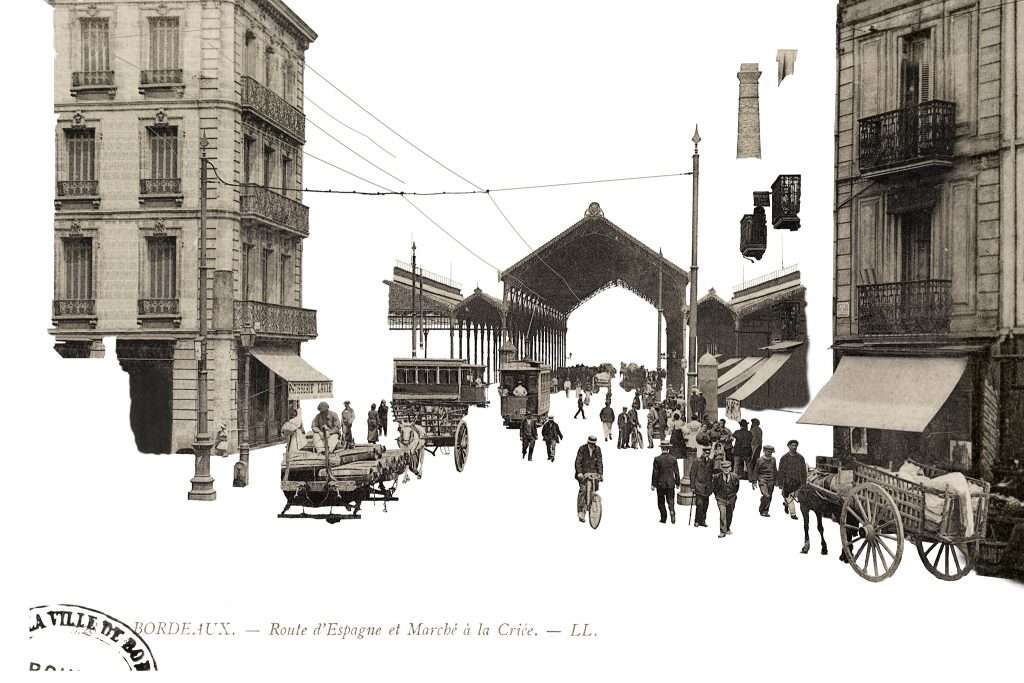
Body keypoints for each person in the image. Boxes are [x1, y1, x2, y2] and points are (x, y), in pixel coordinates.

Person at [575, 436, 604, 523]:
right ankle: (581, 511)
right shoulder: (582, 449)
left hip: (594, 474)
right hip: (584, 474)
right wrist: (579, 472)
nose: (592, 446)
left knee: (594, 490)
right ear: (588, 443)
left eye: (593, 444)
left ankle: (592, 506)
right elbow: (578, 461)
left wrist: (600, 474)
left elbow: (599, 462)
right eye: (590, 444)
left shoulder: (598, 450)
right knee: (583, 490)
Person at [777, 439, 808, 520]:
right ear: (788, 446)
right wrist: (780, 483)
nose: (794, 447)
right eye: (792, 445)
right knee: (789, 497)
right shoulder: (784, 458)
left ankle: (786, 504)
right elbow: (781, 471)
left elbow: (803, 471)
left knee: (795, 496)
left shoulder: (800, 458)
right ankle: (793, 514)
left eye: (795, 445)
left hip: (797, 482)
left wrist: (804, 483)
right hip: (787, 482)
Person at [651, 445, 681, 523]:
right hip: (670, 484)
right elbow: (677, 472)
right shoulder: (673, 459)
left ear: (661, 448)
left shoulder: (657, 459)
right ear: (668, 449)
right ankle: (672, 511)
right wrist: (678, 483)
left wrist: (653, 484)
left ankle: (663, 518)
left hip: (660, 484)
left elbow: (655, 473)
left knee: (661, 502)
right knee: (670, 500)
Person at [712, 459, 741, 538]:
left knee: (729, 514)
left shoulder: (735, 477)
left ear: (730, 468)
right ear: (721, 468)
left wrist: (733, 496)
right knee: (722, 514)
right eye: (724, 468)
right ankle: (722, 531)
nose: (726, 469)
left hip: (731, 498)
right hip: (721, 498)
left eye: (728, 467)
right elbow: (714, 488)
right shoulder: (717, 477)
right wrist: (717, 497)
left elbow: (737, 487)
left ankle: (727, 528)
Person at [690, 446, 715, 527]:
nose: (706, 454)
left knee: (705, 505)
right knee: (699, 504)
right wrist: (693, 486)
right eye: (705, 452)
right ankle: (697, 520)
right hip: (699, 486)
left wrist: (712, 485)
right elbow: (692, 474)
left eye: (708, 453)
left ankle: (703, 521)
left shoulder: (711, 462)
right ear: (702, 452)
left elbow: (712, 473)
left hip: (707, 487)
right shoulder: (696, 461)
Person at [753, 444, 779, 517]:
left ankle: (765, 511)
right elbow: (755, 471)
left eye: (771, 452)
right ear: (764, 451)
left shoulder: (773, 459)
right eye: (768, 451)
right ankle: (762, 507)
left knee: (769, 496)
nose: (769, 453)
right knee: (766, 495)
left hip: (771, 480)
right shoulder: (760, 460)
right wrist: (754, 481)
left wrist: (777, 480)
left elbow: (775, 470)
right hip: (762, 479)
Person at [749, 418, 763, 484]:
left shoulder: (754, 429)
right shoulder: (759, 429)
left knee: (753, 462)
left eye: (753, 423)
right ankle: (755, 476)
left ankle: (752, 477)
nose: (752, 424)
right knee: (755, 461)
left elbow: (752, 439)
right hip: (758, 446)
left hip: (754, 447)